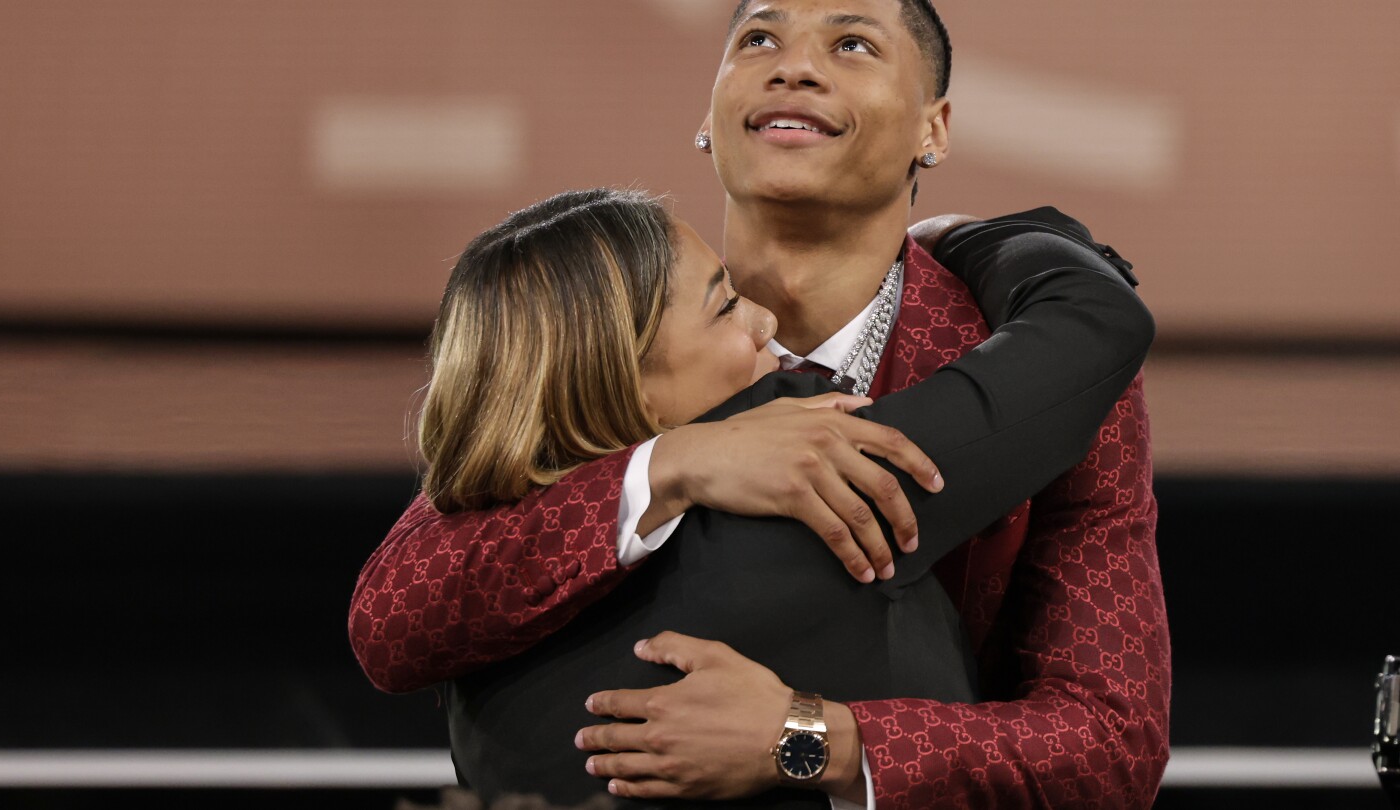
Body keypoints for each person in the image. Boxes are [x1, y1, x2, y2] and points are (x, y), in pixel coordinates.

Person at [352, 0, 1170, 805]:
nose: (795, 63)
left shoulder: (1046, 369)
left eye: (852, 43)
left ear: (934, 128)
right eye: (758, 37)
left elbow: (1109, 743)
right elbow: (400, 610)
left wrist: (812, 740)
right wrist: (669, 467)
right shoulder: (605, 324)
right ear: (710, 114)